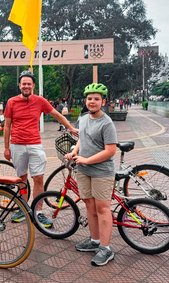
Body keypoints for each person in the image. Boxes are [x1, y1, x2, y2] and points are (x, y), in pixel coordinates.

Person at [4, 70, 78, 227]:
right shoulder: (11, 102)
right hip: (17, 145)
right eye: (23, 83)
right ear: (19, 85)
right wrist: (6, 148)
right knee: (21, 178)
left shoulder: (40, 101)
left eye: (29, 84)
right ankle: (23, 208)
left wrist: (71, 128)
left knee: (38, 178)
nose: (26, 86)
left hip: (35, 144)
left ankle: (38, 211)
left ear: (33, 86)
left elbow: (57, 115)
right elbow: (7, 126)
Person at [65, 83, 117, 267]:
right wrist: (74, 152)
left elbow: (111, 151)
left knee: (103, 209)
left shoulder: (107, 123)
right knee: (89, 205)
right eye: (89, 99)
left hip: (102, 172)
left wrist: (87, 160)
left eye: (96, 99)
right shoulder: (84, 118)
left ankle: (106, 248)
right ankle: (95, 241)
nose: (92, 102)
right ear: (85, 101)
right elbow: (82, 138)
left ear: (103, 101)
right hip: (84, 170)